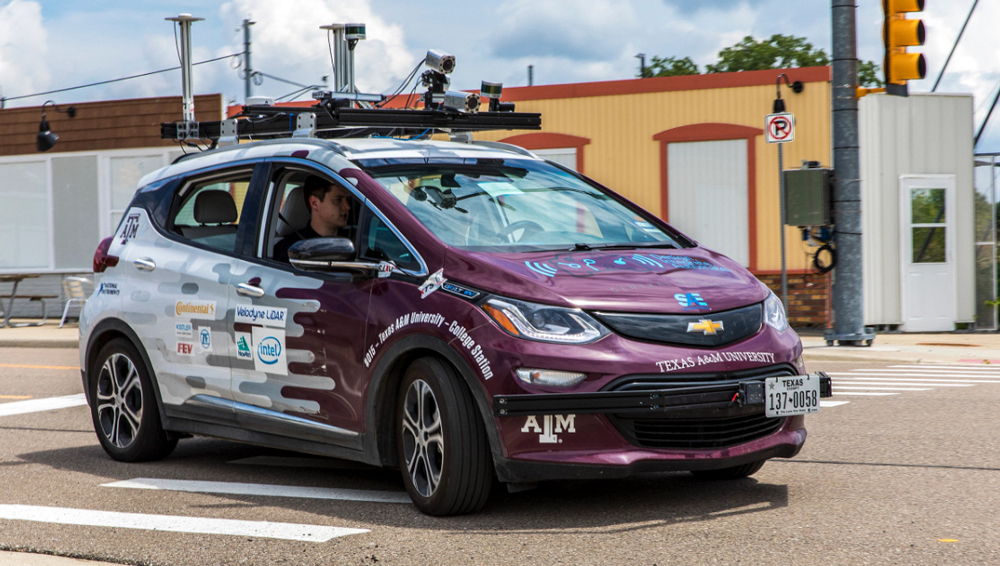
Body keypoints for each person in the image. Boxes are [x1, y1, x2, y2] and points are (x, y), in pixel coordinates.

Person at [273, 176, 352, 262]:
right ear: (315, 203)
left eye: (347, 200)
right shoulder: (289, 250)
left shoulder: (356, 241)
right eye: (338, 200)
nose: (347, 207)